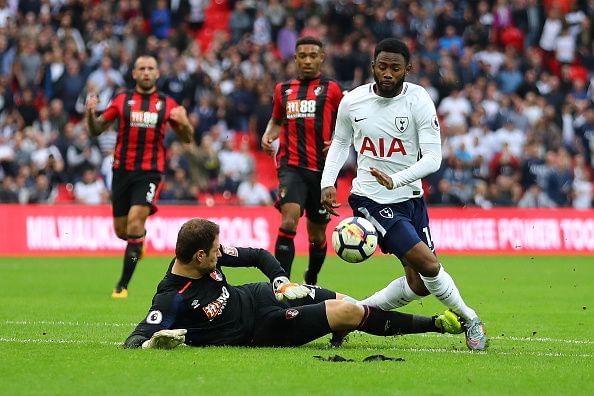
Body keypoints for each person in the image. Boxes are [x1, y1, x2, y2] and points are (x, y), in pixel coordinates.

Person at [320, 38, 488, 351]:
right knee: (429, 265)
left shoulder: (419, 100)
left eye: (395, 68)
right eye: (381, 66)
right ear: (372, 66)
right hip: (371, 200)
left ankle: (351, 315)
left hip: (410, 198)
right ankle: (470, 319)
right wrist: (327, 182)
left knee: (419, 284)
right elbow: (341, 143)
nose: (387, 73)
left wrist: (396, 180)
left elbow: (432, 159)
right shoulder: (353, 101)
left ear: (407, 70)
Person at [123, 218, 463, 349]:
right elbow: (135, 338)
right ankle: (436, 325)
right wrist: (152, 344)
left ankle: (341, 325)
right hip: (261, 328)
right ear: (198, 256)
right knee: (349, 311)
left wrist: (281, 282)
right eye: (214, 251)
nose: (220, 254)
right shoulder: (171, 298)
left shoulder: (206, 256)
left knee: (350, 302)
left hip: (259, 295)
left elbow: (258, 255)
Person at [86, 55, 194, 298]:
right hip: (121, 171)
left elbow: (187, 138)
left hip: (150, 172)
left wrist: (185, 122)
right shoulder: (123, 100)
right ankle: (139, 240)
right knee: (122, 231)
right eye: (142, 69)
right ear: (134, 74)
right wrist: (90, 113)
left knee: (135, 223)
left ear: (157, 73)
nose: (146, 72)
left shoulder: (167, 104)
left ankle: (121, 286)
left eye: (151, 69)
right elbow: (96, 129)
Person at [261, 36, 343, 285]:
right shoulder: (283, 90)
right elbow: (276, 119)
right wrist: (268, 134)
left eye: (312, 56)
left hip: (322, 171)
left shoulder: (332, 89)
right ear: (295, 59)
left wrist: (340, 140)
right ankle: (281, 284)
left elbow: (348, 119)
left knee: (317, 235)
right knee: (288, 220)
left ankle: (312, 277)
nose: (307, 60)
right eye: (302, 56)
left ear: (321, 58)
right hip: (291, 166)